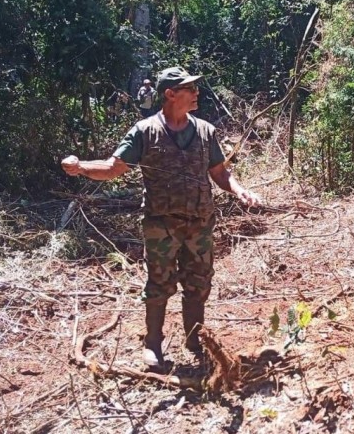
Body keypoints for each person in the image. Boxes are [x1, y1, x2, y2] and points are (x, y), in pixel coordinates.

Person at [61, 67, 261, 369]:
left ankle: (195, 339)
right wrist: (81, 167)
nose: (196, 93)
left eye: (195, 88)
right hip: (161, 225)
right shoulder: (145, 131)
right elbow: (114, 168)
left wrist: (240, 190)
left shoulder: (206, 131)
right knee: (158, 285)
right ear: (170, 94)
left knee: (199, 283)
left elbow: (219, 173)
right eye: (189, 89)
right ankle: (153, 344)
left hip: (200, 223)